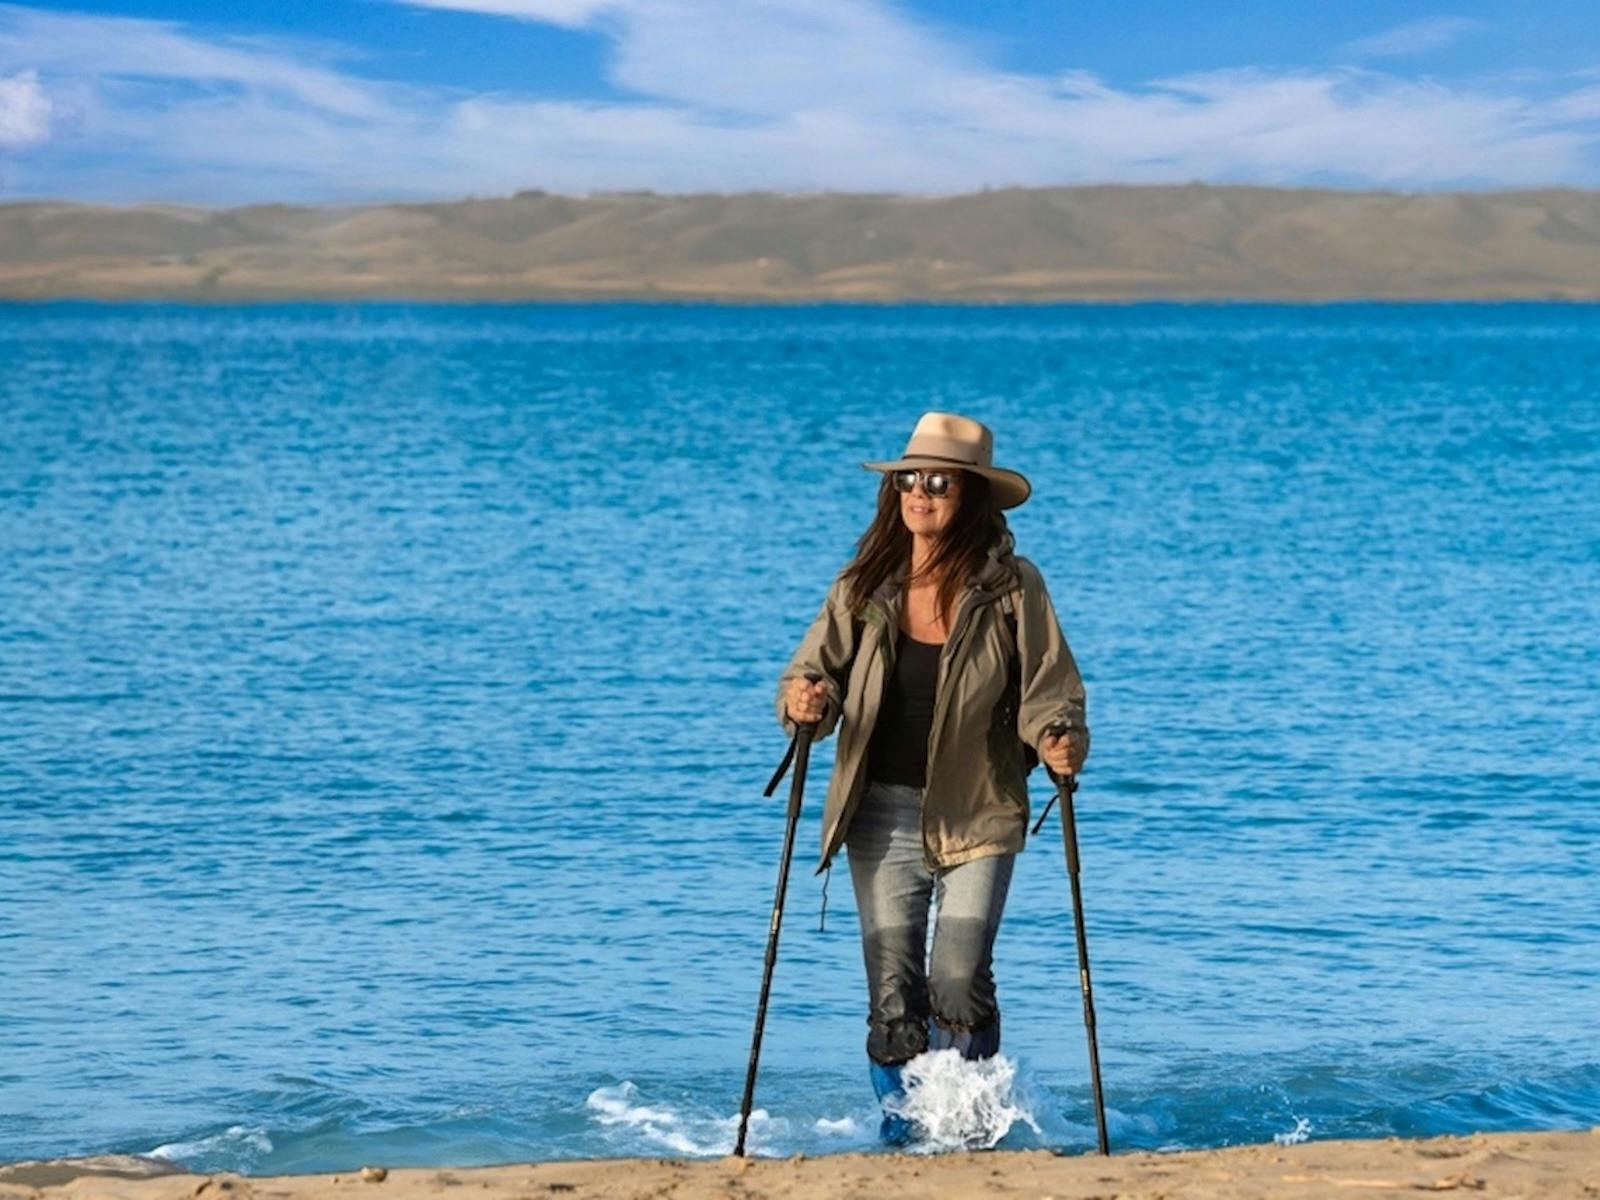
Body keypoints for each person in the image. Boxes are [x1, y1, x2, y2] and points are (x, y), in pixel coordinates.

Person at [775, 411, 1091, 1143]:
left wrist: (1059, 737)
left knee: (956, 978)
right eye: (910, 481)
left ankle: (973, 1123)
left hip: (979, 809)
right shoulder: (864, 587)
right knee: (894, 1000)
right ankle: (905, 1134)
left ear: (971, 496)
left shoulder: (1012, 590)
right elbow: (809, 675)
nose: (920, 494)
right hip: (879, 815)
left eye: (939, 483)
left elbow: (1052, 688)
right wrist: (804, 702)